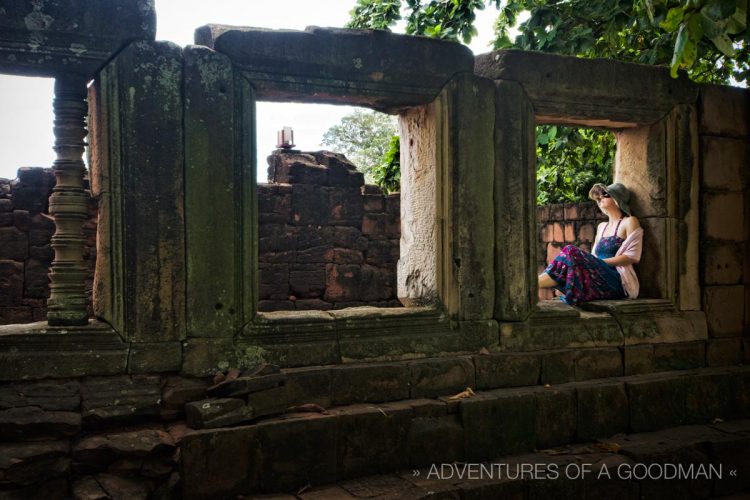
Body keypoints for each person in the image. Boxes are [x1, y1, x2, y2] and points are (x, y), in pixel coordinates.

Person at [538, 182, 643, 305]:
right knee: (567, 261)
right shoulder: (602, 227)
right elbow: (594, 257)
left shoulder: (630, 221)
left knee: (570, 250)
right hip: (597, 276)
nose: (600, 198)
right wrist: (592, 263)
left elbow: (632, 256)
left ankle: (530, 284)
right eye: (599, 196)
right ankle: (531, 284)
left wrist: (598, 262)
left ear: (617, 199)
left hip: (617, 281)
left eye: (605, 194)